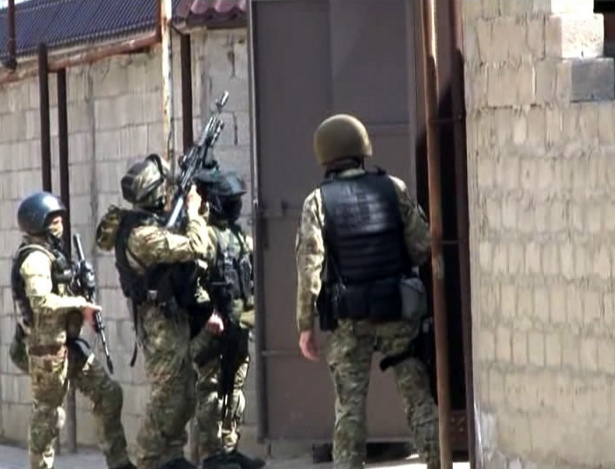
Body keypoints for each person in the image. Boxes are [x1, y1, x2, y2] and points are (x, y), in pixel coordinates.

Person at [295, 114, 440, 469]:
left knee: (349, 408)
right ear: (362, 150)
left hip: (349, 319)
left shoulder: (317, 202)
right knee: (418, 398)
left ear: (324, 156)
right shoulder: (393, 188)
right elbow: (422, 246)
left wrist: (305, 325)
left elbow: (309, 268)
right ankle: (439, 461)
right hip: (397, 309)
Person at [95, 154, 211, 469]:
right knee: (166, 395)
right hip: (158, 322)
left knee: (185, 393)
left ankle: (171, 456)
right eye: (162, 187)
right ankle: (146, 458)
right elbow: (196, 246)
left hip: (173, 316)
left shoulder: (151, 223)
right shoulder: (141, 235)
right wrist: (192, 211)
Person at [11, 191, 135, 469]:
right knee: (48, 416)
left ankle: (119, 462)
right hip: (47, 353)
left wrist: (79, 288)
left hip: (66, 344)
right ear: (37, 222)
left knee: (108, 394)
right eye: (53, 220)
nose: (60, 225)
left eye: (60, 219)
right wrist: (80, 304)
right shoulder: (35, 259)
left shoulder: (51, 254)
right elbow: (42, 302)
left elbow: (59, 294)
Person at [191, 169, 265, 469]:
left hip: (239, 323)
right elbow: (192, 281)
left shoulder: (237, 235)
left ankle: (229, 448)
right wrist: (208, 313)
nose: (236, 205)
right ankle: (211, 454)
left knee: (234, 389)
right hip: (214, 327)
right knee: (210, 391)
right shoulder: (205, 236)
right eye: (230, 200)